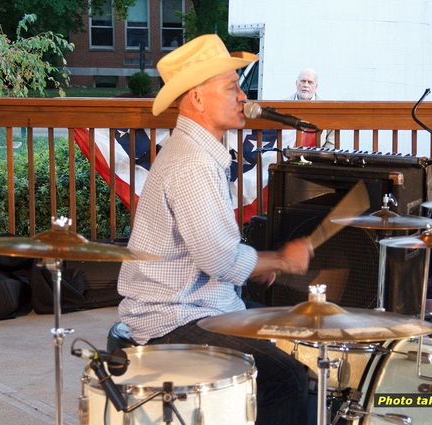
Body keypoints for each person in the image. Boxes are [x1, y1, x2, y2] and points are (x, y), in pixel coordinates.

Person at [116, 34, 313, 425]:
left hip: (194, 307)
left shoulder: (195, 151)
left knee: (294, 331)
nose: (243, 97)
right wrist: (282, 260)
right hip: (174, 320)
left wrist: (256, 264)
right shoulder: (192, 163)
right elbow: (219, 259)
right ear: (197, 99)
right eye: (232, 87)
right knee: (287, 377)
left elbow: (214, 251)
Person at [285, 68, 334, 148]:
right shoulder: (283, 105)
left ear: (316, 86)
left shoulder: (326, 108)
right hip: (286, 156)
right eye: (303, 81)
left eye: (310, 82)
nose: (306, 85)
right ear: (296, 83)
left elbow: (331, 143)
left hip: (317, 157)